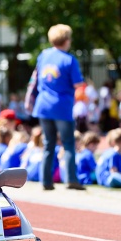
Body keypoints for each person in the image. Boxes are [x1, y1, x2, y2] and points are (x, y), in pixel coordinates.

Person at [29, 24, 86, 191]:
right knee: (68, 143)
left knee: (48, 144)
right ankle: (71, 180)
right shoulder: (69, 59)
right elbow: (77, 83)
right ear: (67, 40)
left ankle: (46, 181)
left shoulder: (43, 55)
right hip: (62, 106)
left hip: (43, 105)